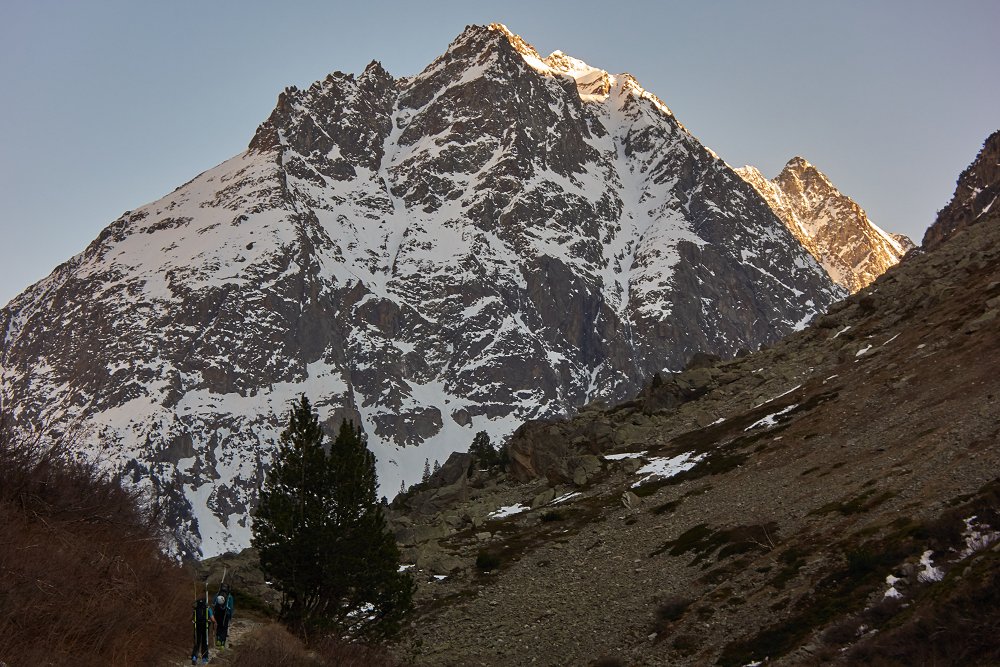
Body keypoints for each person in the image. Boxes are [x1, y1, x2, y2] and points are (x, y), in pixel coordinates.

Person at [191, 597, 216, 664]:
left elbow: (192, 618)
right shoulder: (208, 608)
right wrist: (214, 622)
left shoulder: (196, 608)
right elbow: (213, 619)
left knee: (197, 642)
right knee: (204, 643)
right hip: (205, 627)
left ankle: (194, 657)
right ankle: (204, 659)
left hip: (197, 627)